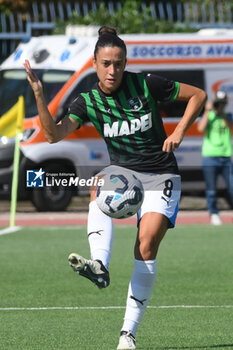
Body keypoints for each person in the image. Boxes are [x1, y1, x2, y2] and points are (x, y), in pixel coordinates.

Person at [24, 26, 207, 350]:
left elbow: (198, 95)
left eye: (119, 63)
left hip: (161, 173)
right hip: (124, 175)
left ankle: (127, 334)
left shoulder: (146, 84)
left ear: (125, 63)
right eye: (107, 63)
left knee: (146, 244)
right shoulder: (88, 102)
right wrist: (40, 95)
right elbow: (53, 135)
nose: (113, 70)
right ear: (94, 63)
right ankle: (99, 266)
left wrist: (179, 130)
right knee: (98, 187)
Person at [198, 91, 233, 225]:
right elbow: (201, 128)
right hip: (210, 157)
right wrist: (207, 111)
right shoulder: (209, 115)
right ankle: (214, 214)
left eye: (223, 103)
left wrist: (221, 112)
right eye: (219, 102)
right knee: (211, 189)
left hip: (225, 157)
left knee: (231, 187)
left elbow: (231, 127)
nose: (220, 105)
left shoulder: (228, 116)